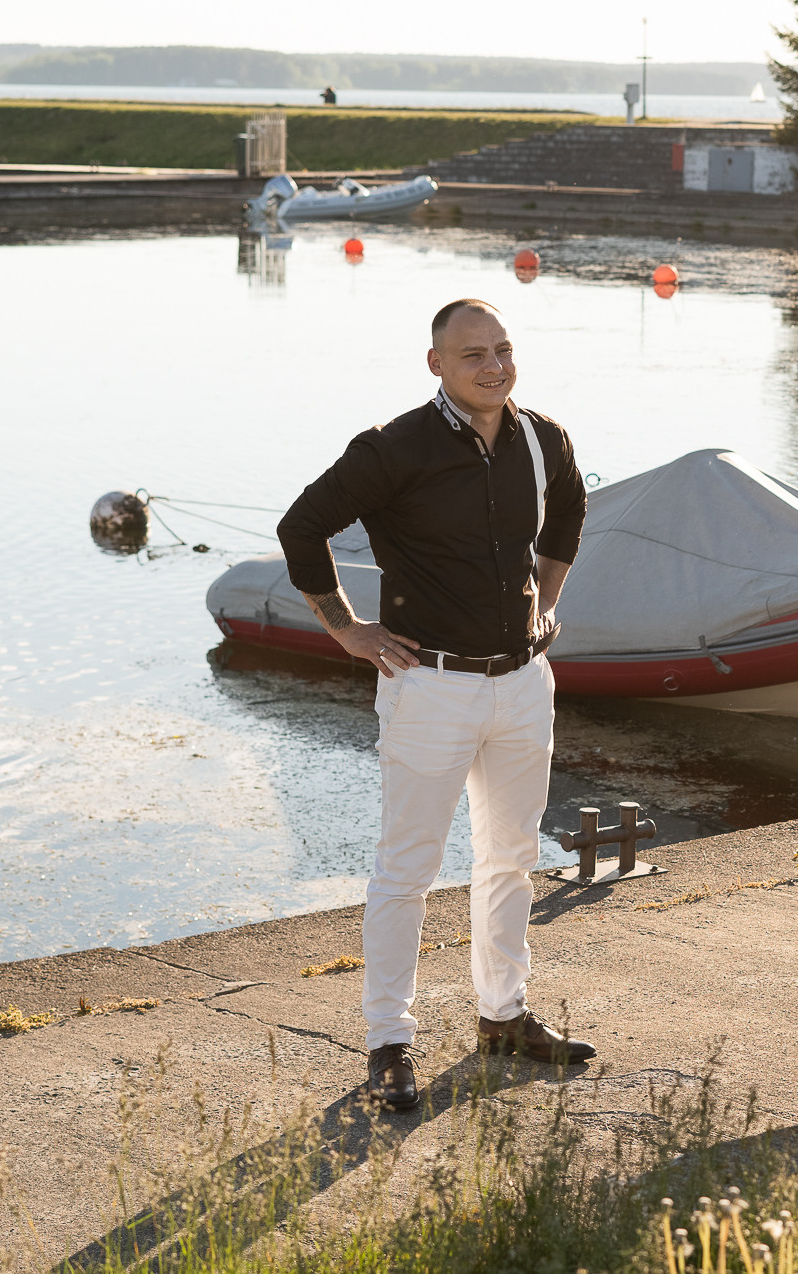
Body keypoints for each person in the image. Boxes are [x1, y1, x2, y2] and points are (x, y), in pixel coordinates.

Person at [277, 298, 593, 1111]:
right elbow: (302, 527)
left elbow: (569, 503)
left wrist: (546, 597)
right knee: (407, 871)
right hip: (430, 687)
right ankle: (389, 1041)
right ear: (437, 366)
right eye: (473, 355)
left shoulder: (540, 437)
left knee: (512, 857)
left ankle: (504, 1015)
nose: (494, 366)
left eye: (503, 350)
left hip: (523, 683)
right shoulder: (393, 450)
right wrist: (348, 630)